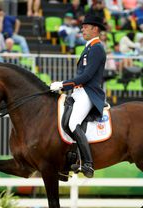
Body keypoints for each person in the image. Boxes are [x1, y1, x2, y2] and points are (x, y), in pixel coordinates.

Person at [49, 15, 107, 178]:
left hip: (89, 92)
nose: (82, 29)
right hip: (79, 92)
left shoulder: (96, 48)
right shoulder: (89, 47)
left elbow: (87, 76)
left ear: (95, 29)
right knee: (63, 121)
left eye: (85, 27)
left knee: (73, 123)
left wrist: (63, 85)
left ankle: (88, 163)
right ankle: (68, 162)